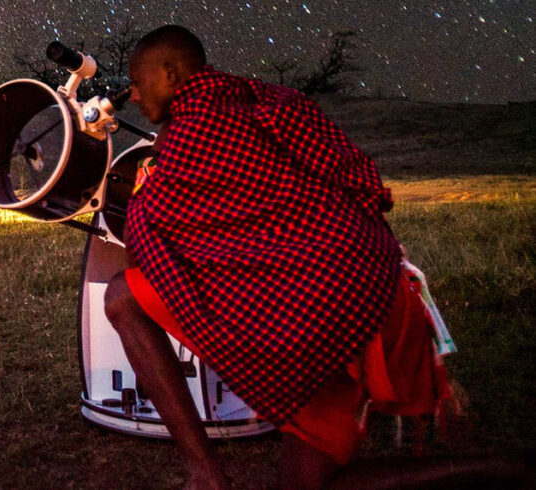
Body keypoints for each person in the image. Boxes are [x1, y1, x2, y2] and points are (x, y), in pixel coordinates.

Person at [101, 25, 495, 488]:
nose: (131, 93)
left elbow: (152, 233)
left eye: (137, 79)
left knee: (122, 297)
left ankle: (203, 474)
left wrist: (145, 197)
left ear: (170, 74)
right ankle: (504, 470)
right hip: (376, 286)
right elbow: (343, 179)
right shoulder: (271, 100)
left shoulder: (193, 135)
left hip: (326, 313)